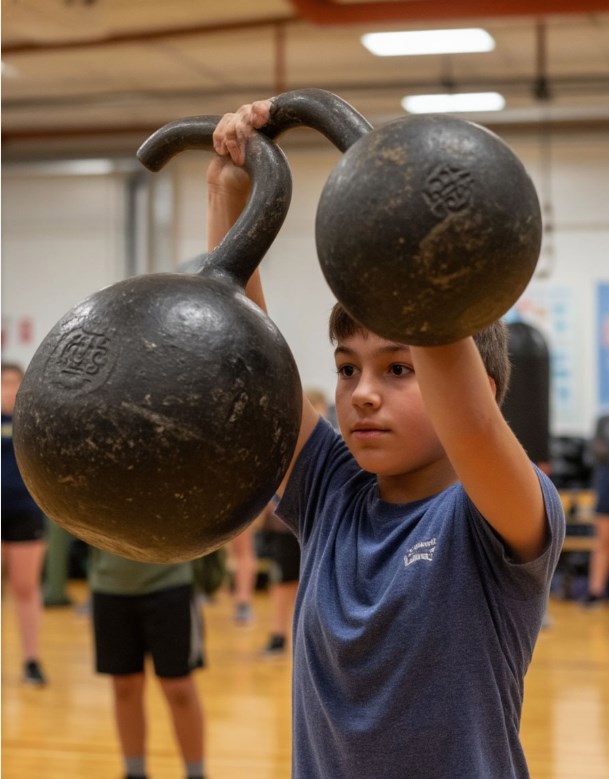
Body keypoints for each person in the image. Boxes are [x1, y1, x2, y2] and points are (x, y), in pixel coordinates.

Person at [208, 99, 566, 779]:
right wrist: (233, 194)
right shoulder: (330, 495)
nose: (362, 392)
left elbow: (468, 422)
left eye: (399, 368)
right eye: (347, 370)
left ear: (480, 385)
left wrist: (401, 224)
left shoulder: (494, 516)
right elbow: (249, 362)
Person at [89, 548, 207, 779]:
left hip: (170, 584)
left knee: (179, 688)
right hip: (110, 585)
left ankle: (196, 774)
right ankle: (135, 772)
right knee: (124, 685)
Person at [259, 388, 328, 657]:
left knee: (317, 585)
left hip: (318, 527)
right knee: (283, 581)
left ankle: (320, 642)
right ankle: (278, 636)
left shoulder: (333, 448)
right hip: (285, 529)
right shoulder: (286, 448)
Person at [1, 362, 48, 686]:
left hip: (26, 513)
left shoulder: (33, 422)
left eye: (14, 383)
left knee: (25, 589)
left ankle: (32, 660)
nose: (9, 390)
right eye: (4, 383)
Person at [583, 413, 609, 605]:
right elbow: (597, 451)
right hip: (606, 485)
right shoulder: (603, 420)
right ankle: (595, 591)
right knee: (603, 541)